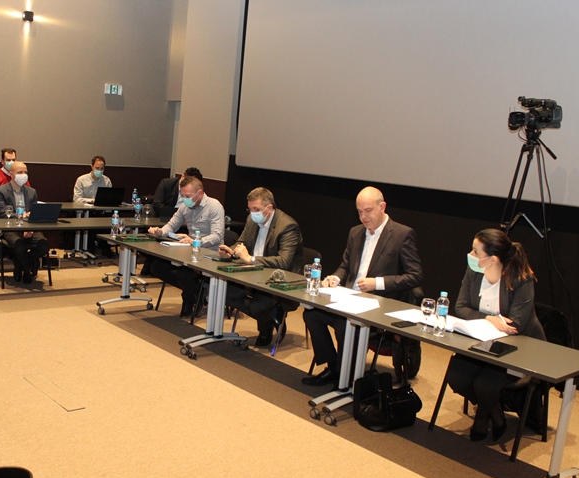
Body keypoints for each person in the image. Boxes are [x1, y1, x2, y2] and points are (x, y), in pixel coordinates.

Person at [302, 186, 423, 386]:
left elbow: (415, 276)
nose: (363, 217)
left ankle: (347, 376)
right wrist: (335, 278)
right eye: (359, 212)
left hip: (380, 304)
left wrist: (378, 283)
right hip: (349, 299)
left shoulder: (402, 234)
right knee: (312, 315)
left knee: (344, 325)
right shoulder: (355, 232)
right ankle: (334, 366)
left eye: (368, 211)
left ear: (382, 207)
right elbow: (345, 265)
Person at [446, 228, 545, 442]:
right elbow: (461, 307)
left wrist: (493, 322)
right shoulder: (474, 272)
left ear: (492, 259)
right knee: (456, 377)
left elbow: (515, 325)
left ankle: (483, 417)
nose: (470, 255)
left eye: (475, 252)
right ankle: (495, 412)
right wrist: (490, 319)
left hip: (517, 349)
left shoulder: (521, 278)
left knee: (485, 385)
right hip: (481, 342)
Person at [218, 187, 303, 346]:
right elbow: (241, 243)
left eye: (256, 210)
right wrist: (231, 251)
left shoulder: (288, 226)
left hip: (278, 280)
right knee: (226, 294)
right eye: (250, 209)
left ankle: (266, 326)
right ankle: (269, 316)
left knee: (257, 306)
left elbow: (283, 261)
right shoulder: (252, 220)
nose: (252, 214)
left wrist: (251, 259)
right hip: (252, 273)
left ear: (269, 208)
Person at [148, 170, 225, 317]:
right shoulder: (185, 206)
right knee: (157, 267)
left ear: (199, 193)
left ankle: (189, 298)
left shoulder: (214, 206)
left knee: (184, 274)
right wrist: (160, 232)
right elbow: (172, 225)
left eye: (187, 196)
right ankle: (195, 292)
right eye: (182, 196)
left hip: (210, 254)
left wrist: (195, 241)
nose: (184, 199)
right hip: (190, 253)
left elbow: (217, 236)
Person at [0, 162, 50, 284]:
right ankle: (27, 272)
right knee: (20, 246)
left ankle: (21, 263)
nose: (23, 175)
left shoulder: (32, 192)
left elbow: (34, 213)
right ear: (11, 174)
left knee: (43, 246)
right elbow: (2, 214)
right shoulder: (0, 191)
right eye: (20, 172)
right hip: (10, 228)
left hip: (30, 227)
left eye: (25, 172)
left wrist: (30, 229)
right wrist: (21, 216)